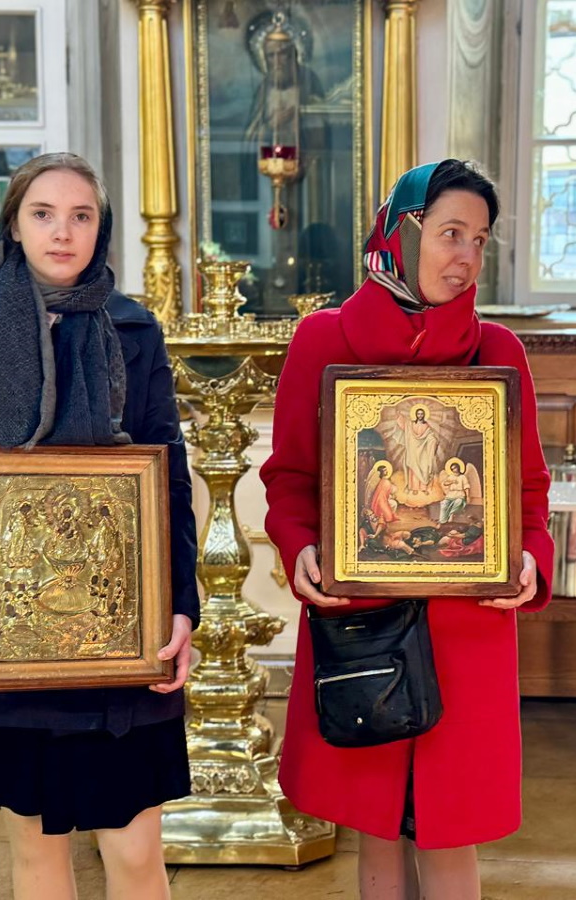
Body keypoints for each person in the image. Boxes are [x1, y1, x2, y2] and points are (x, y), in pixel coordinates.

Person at [260, 159, 553, 900]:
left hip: (467, 630)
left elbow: (526, 492)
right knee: (378, 830)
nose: (466, 257)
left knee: (451, 834)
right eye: (451, 233)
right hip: (364, 625)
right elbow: (290, 478)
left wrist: (528, 561)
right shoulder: (322, 339)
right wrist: (301, 549)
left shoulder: (499, 353)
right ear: (402, 231)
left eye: (480, 240)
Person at [0, 152, 199, 900]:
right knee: (37, 852)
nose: (62, 232)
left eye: (81, 216)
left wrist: (181, 608)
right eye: (43, 214)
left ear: (101, 229)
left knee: (134, 853)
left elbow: (167, 480)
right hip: (7, 635)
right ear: (14, 224)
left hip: (123, 633)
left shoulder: (133, 330)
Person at [395, 405, 439, 494]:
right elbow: (404, 426)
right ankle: (414, 488)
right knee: (413, 470)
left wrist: (433, 440)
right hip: (413, 450)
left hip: (423, 451)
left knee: (424, 468)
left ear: (424, 415)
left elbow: (430, 435)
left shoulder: (426, 425)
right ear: (416, 414)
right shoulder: (411, 424)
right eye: (418, 414)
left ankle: (423, 488)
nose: (420, 415)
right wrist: (399, 416)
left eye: (421, 414)